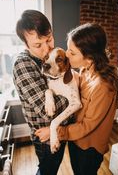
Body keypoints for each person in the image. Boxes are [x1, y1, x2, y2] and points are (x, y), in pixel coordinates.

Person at [36, 23, 117, 175]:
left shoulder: (103, 87)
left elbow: (87, 126)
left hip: (89, 148)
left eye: (72, 53)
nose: (66, 54)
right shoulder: (84, 70)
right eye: (68, 49)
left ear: (89, 58)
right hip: (75, 140)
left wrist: (55, 131)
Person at [13, 10, 68, 175]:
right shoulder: (23, 65)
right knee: (47, 171)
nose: (47, 49)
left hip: (60, 130)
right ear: (26, 44)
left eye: (49, 39)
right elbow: (49, 112)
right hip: (45, 136)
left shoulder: (49, 56)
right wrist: (75, 97)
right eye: (38, 45)